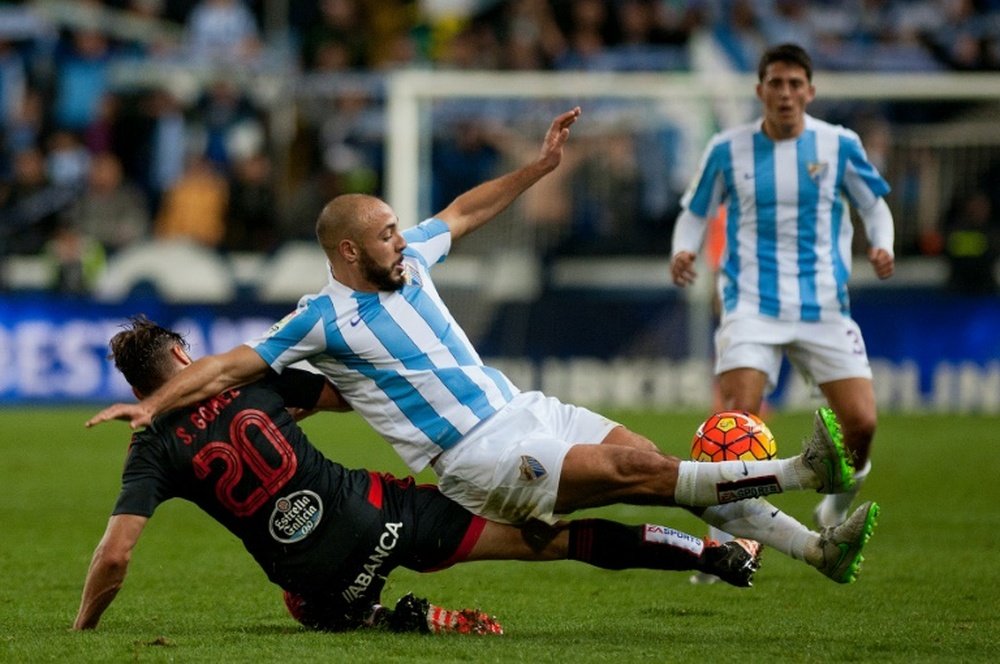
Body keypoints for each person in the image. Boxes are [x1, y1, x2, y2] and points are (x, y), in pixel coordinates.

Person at [86, 107, 879, 585]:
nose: (405, 239)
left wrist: (537, 167)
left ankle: (819, 552)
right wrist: (154, 405)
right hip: (477, 457)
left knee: (654, 466)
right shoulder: (319, 320)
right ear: (351, 253)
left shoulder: (413, 260)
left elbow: (462, 213)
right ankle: (805, 470)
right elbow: (228, 366)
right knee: (643, 473)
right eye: (388, 234)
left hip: (523, 409)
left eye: (401, 228)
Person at [75, 316, 767, 634]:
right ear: (180, 352)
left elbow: (116, 556)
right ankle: (714, 553)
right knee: (552, 539)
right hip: (383, 516)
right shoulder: (258, 388)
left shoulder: (150, 446)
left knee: (308, 610)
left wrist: (82, 628)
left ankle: (392, 618)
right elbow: (354, 395)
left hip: (315, 577)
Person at [670, 44, 895, 530]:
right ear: (760, 90)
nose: (786, 93)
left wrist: (883, 244)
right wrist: (682, 250)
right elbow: (695, 212)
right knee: (737, 418)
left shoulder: (838, 144)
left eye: (795, 84)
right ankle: (727, 537)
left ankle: (837, 499)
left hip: (824, 308)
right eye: (776, 83)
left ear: (810, 91)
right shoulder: (728, 149)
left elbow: (874, 204)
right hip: (751, 303)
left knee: (862, 424)